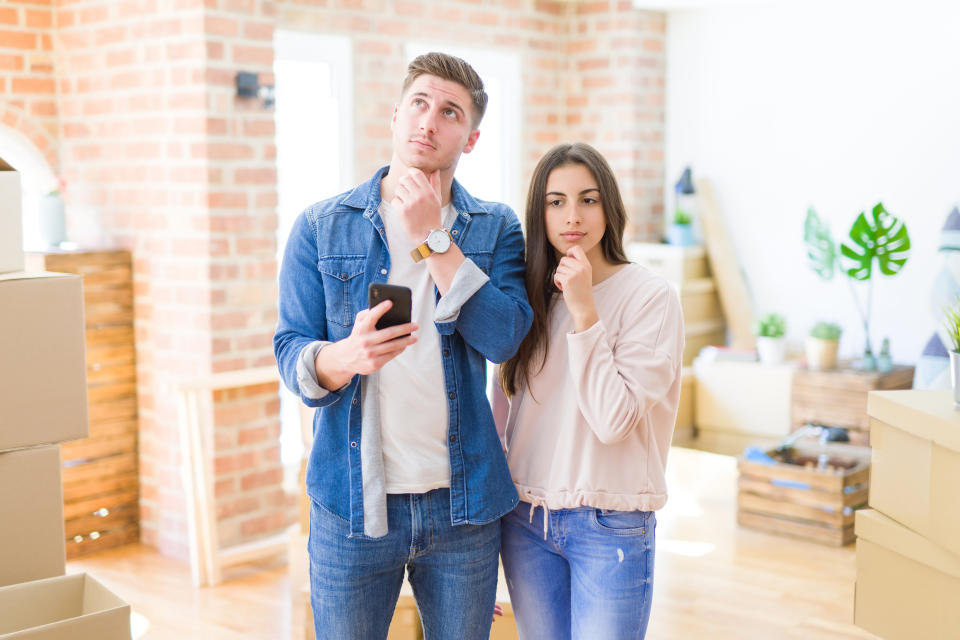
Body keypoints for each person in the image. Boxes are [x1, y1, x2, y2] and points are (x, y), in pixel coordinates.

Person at [274, 52, 532, 640]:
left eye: (449, 112)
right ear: (394, 116)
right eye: (419, 103)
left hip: (462, 505)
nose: (429, 121)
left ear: (469, 138)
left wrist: (432, 240)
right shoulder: (321, 225)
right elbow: (290, 346)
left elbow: (504, 337)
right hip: (351, 505)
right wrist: (342, 358)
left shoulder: (494, 228)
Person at [497, 142, 684, 640]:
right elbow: (505, 414)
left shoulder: (652, 297)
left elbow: (613, 419)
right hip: (524, 521)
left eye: (588, 198)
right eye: (555, 202)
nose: (571, 215)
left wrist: (584, 312)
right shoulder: (532, 299)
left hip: (610, 525)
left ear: (610, 208)